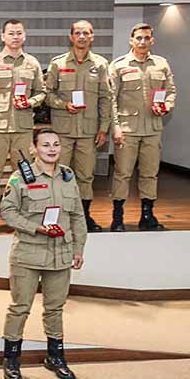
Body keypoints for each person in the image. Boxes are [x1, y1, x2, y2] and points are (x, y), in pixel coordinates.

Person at [0, 129, 87, 379]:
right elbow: (8, 212)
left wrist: (78, 248)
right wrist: (36, 227)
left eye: (56, 144)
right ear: (33, 148)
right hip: (29, 252)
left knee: (55, 308)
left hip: (60, 253)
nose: (51, 149)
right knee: (20, 307)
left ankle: (55, 356)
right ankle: (12, 359)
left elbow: (78, 217)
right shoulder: (20, 178)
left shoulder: (68, 177)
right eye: (45, 145)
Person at [44, 20, 117, 233]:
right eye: (78, 33)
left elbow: (106, 98)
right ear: (71, 37)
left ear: (92, 37)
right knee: (58, 174)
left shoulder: (100, 65)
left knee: (85, 176)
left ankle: (84, 217)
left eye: (86, 33)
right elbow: (47, 94)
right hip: (62, 132)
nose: (82, 37)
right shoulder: (58, 63)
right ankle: (57, 217)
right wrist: (63, 104)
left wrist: (104, 128)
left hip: (89, 132)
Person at [108, 23, 177, 232]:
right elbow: (111, 99)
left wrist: (166, 105)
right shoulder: (119, 65)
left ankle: (147, 216)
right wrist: (116, 128)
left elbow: (171, 91)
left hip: (152, 129)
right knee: (122, 174)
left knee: (150, 174)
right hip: (127, 129)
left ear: (152, 40)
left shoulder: (161, 64)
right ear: (131, 40)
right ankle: (118, 217)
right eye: (138, 38)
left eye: (146, 38)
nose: (142, 42)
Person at [0, 20, 46, 189]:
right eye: (11, 33)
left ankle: (24, 210)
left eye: (19, 33)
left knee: (26, 172)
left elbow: (42, 92)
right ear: (3, 37)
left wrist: (29, 102)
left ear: (24, 36)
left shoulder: (32, 63)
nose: (15, 37)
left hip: (23, 129)